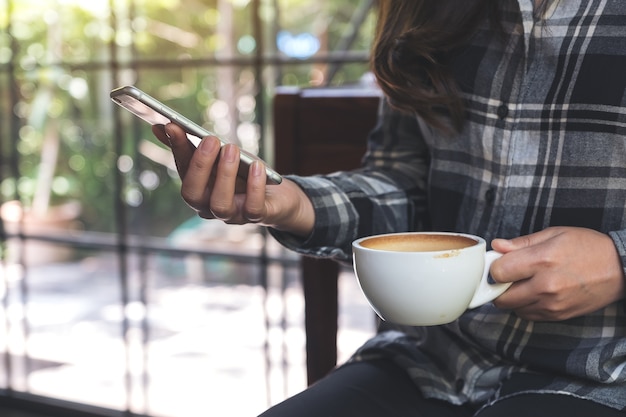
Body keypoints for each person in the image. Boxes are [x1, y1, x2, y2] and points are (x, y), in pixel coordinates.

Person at [152, 0, 626, 415]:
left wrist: (617, 262)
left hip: (607, 378)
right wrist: (295, 204)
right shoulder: (423, 10)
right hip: (434, 362)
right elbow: (405, 186)